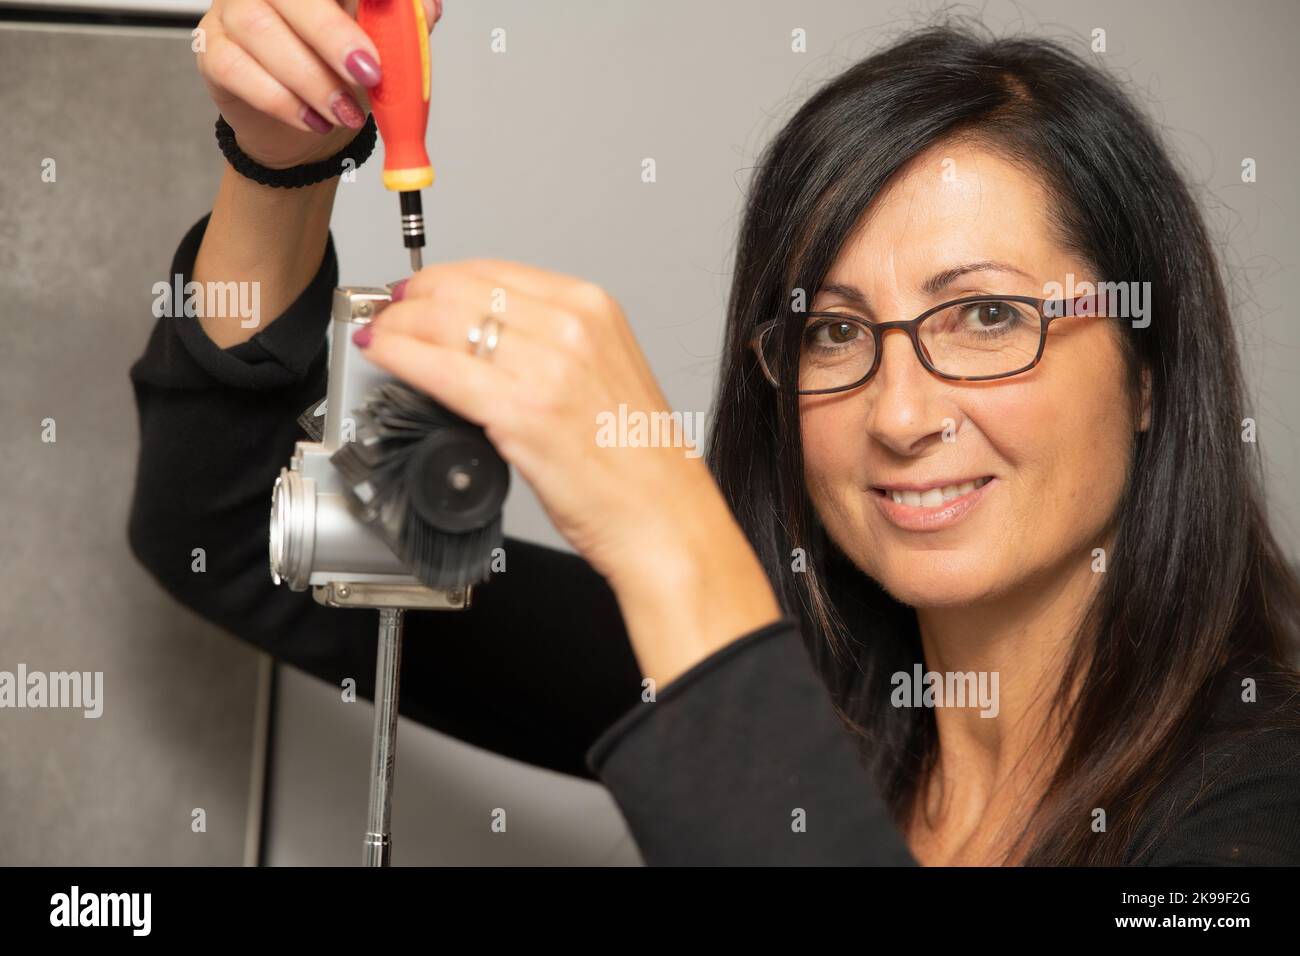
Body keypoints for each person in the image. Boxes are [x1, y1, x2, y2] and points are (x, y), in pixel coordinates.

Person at [127, 2, 1300, 865]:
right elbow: (228, 533)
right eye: (833, 334)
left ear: (1147, 367)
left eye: (987, 315)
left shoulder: (1259, 795)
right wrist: (279, 164)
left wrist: (659, 522)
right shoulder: (786, 679)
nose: (898, 413)